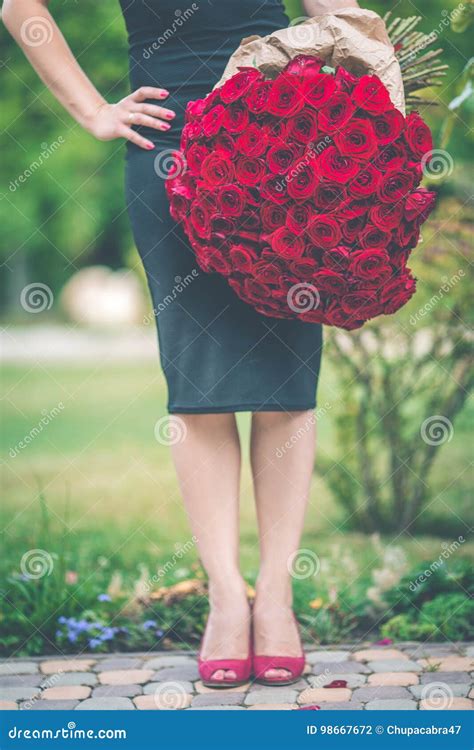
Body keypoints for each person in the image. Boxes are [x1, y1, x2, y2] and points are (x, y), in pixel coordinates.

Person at [4, 0, 359, 687]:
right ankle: (226, 599)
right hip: (168, 142)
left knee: (286, 379)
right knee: (199, 385)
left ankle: (277, 599)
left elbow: (335, 9)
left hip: (283, 130)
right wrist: (92, 111)